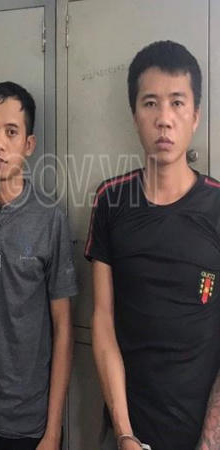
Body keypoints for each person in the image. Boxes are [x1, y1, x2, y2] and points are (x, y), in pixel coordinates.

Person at [87, 40, 220, 450]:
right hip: (129, 432)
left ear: (195, 115)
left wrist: (210, 437)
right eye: (150, 103)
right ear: (134, 115)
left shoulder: (217, 205)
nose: (164, 119)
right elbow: (103, 320)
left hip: (202, 433)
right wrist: (125, 432)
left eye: (177, 103)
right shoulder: (110, 200)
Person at [0, 82, 76, 450]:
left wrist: (52, 431)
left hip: (32, 424)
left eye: (11, 132)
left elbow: (63, 327)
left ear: (29, 144)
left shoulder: (50, 218)